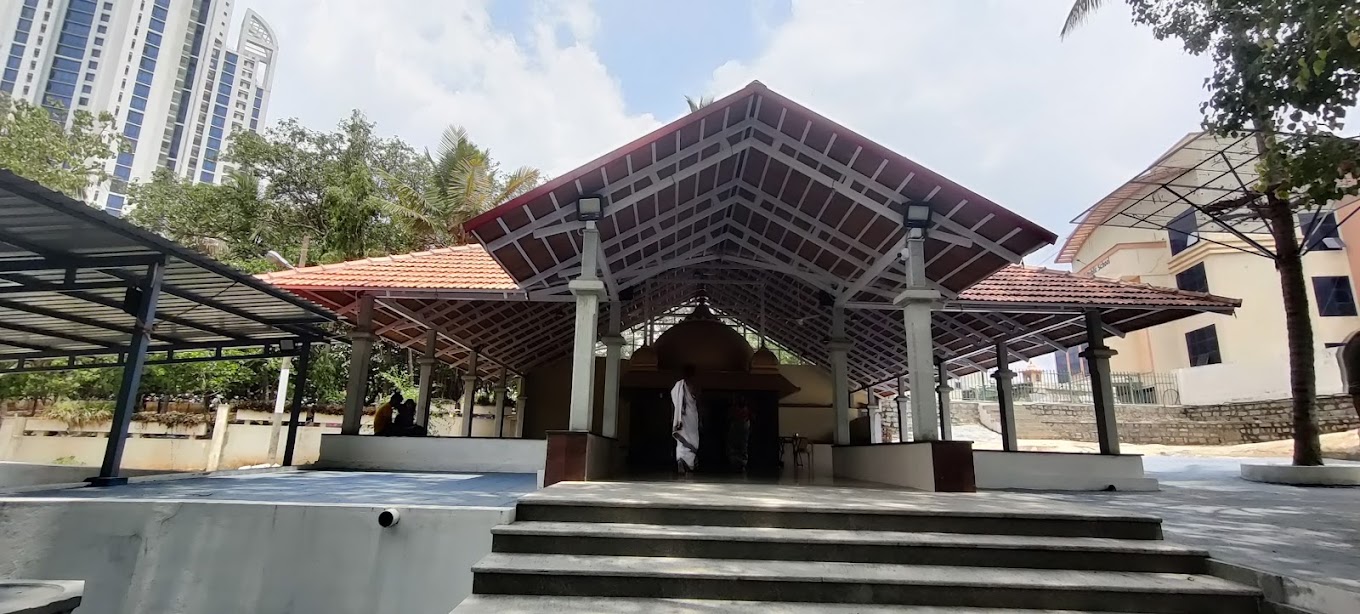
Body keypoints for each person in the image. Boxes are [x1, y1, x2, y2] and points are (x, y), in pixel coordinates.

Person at [671, 364, 700, 475]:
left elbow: (675, 402)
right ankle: (688, 463)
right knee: (693, 439)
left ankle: (680, 460)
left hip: (680, 418)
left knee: (681, 441)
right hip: (691, 417)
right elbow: (697, 398)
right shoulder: (693, 385)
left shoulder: (677, 386)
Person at [728, 396, 751, 473]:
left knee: (742, 444)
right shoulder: (736, 408)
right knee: (737, 443)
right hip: (739, 423)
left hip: (742, 423)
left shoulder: (741, 409)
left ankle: (740, 463)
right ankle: (737, 462)